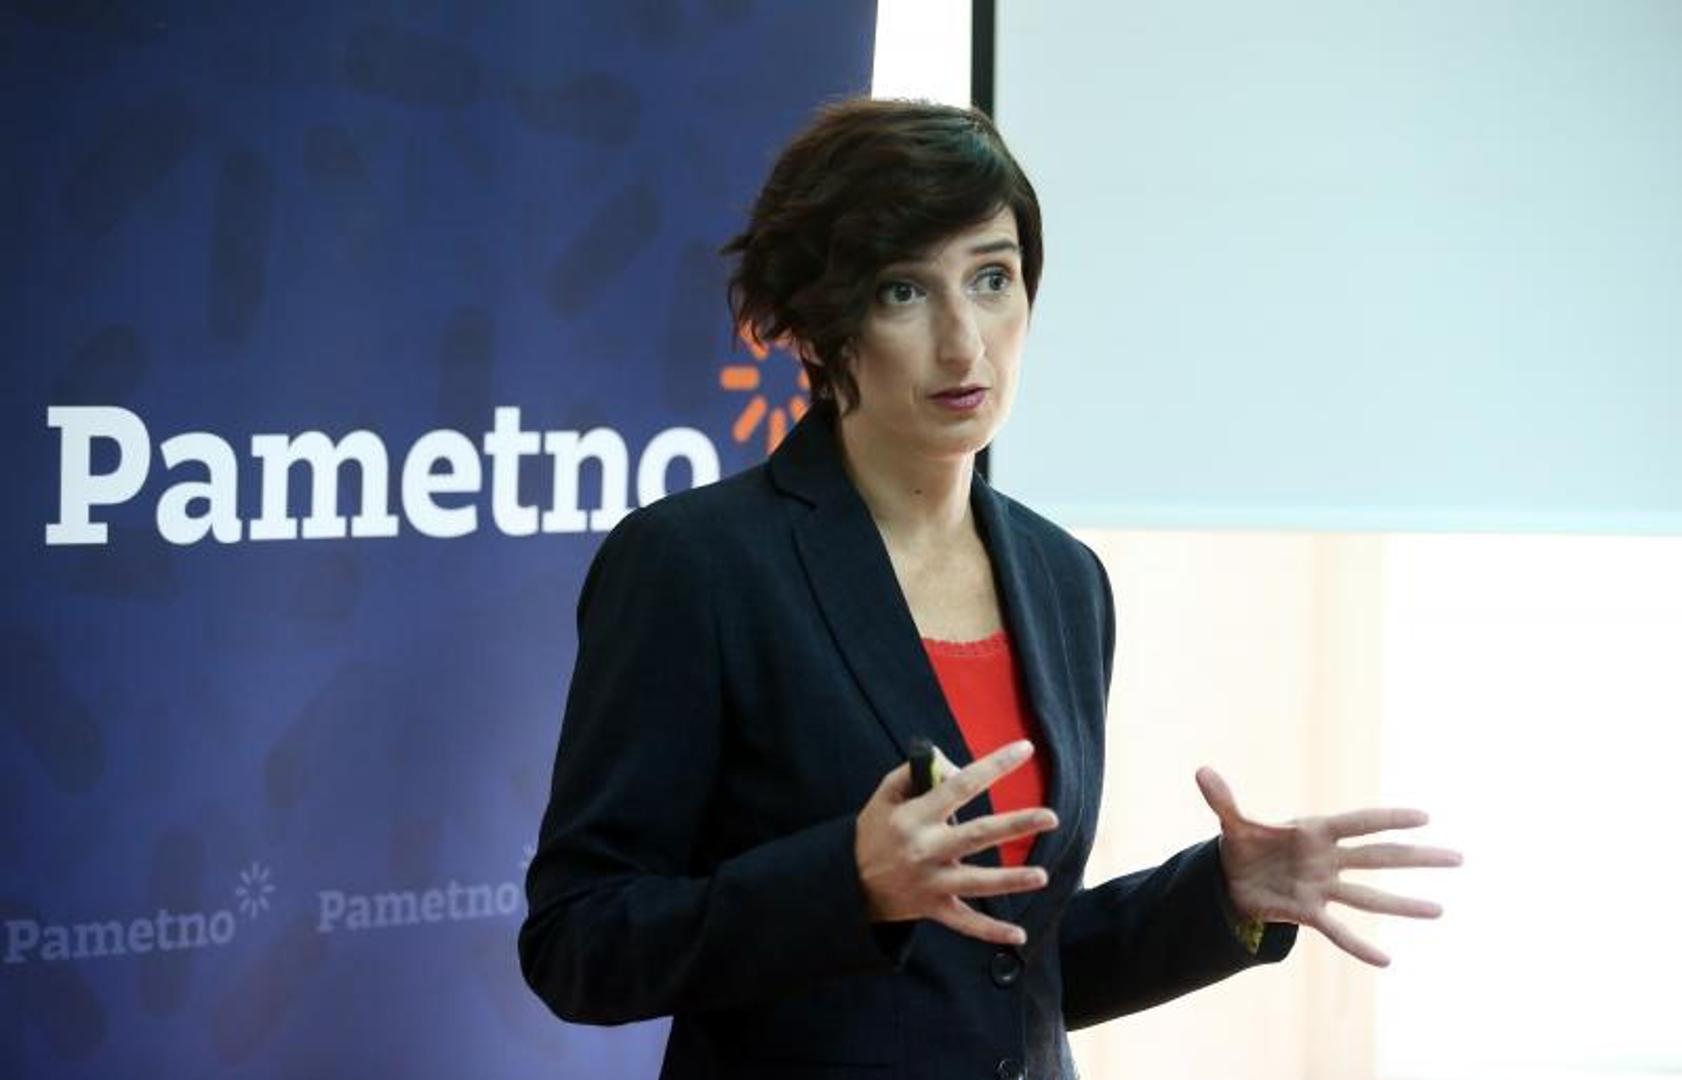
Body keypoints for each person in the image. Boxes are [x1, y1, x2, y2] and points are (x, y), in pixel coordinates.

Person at [519, 97, 1459, 1080]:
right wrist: (847, 883)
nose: (965, 343)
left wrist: (1217, 896)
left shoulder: (1064, 578)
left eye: (992, 278)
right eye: (902, 291)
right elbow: (578, 944)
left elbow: (1007, 972)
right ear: (813, 329)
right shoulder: (693, 565)